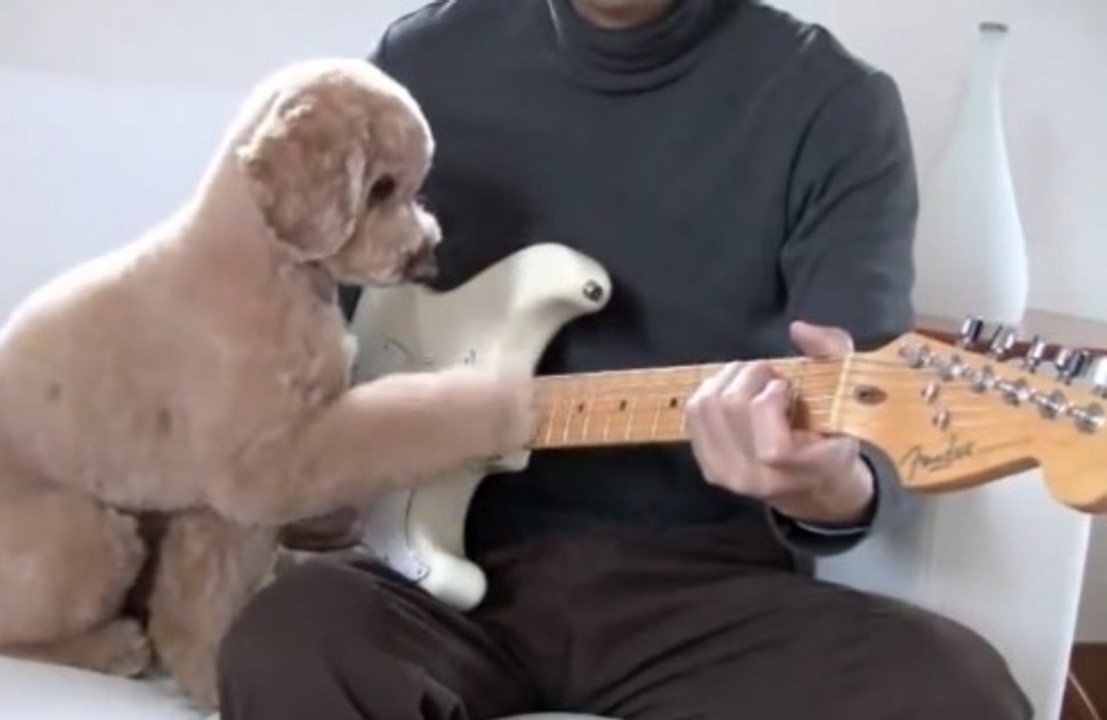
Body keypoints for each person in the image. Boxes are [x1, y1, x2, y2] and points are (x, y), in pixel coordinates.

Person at [216, 1, 1033, 717]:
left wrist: (828, 482)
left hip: (709, 593)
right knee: (289, 640)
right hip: (440, 576)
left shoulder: (834, 106)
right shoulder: (421, 62)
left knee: (956, 693)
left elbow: (871, 420)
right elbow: (312, 323)